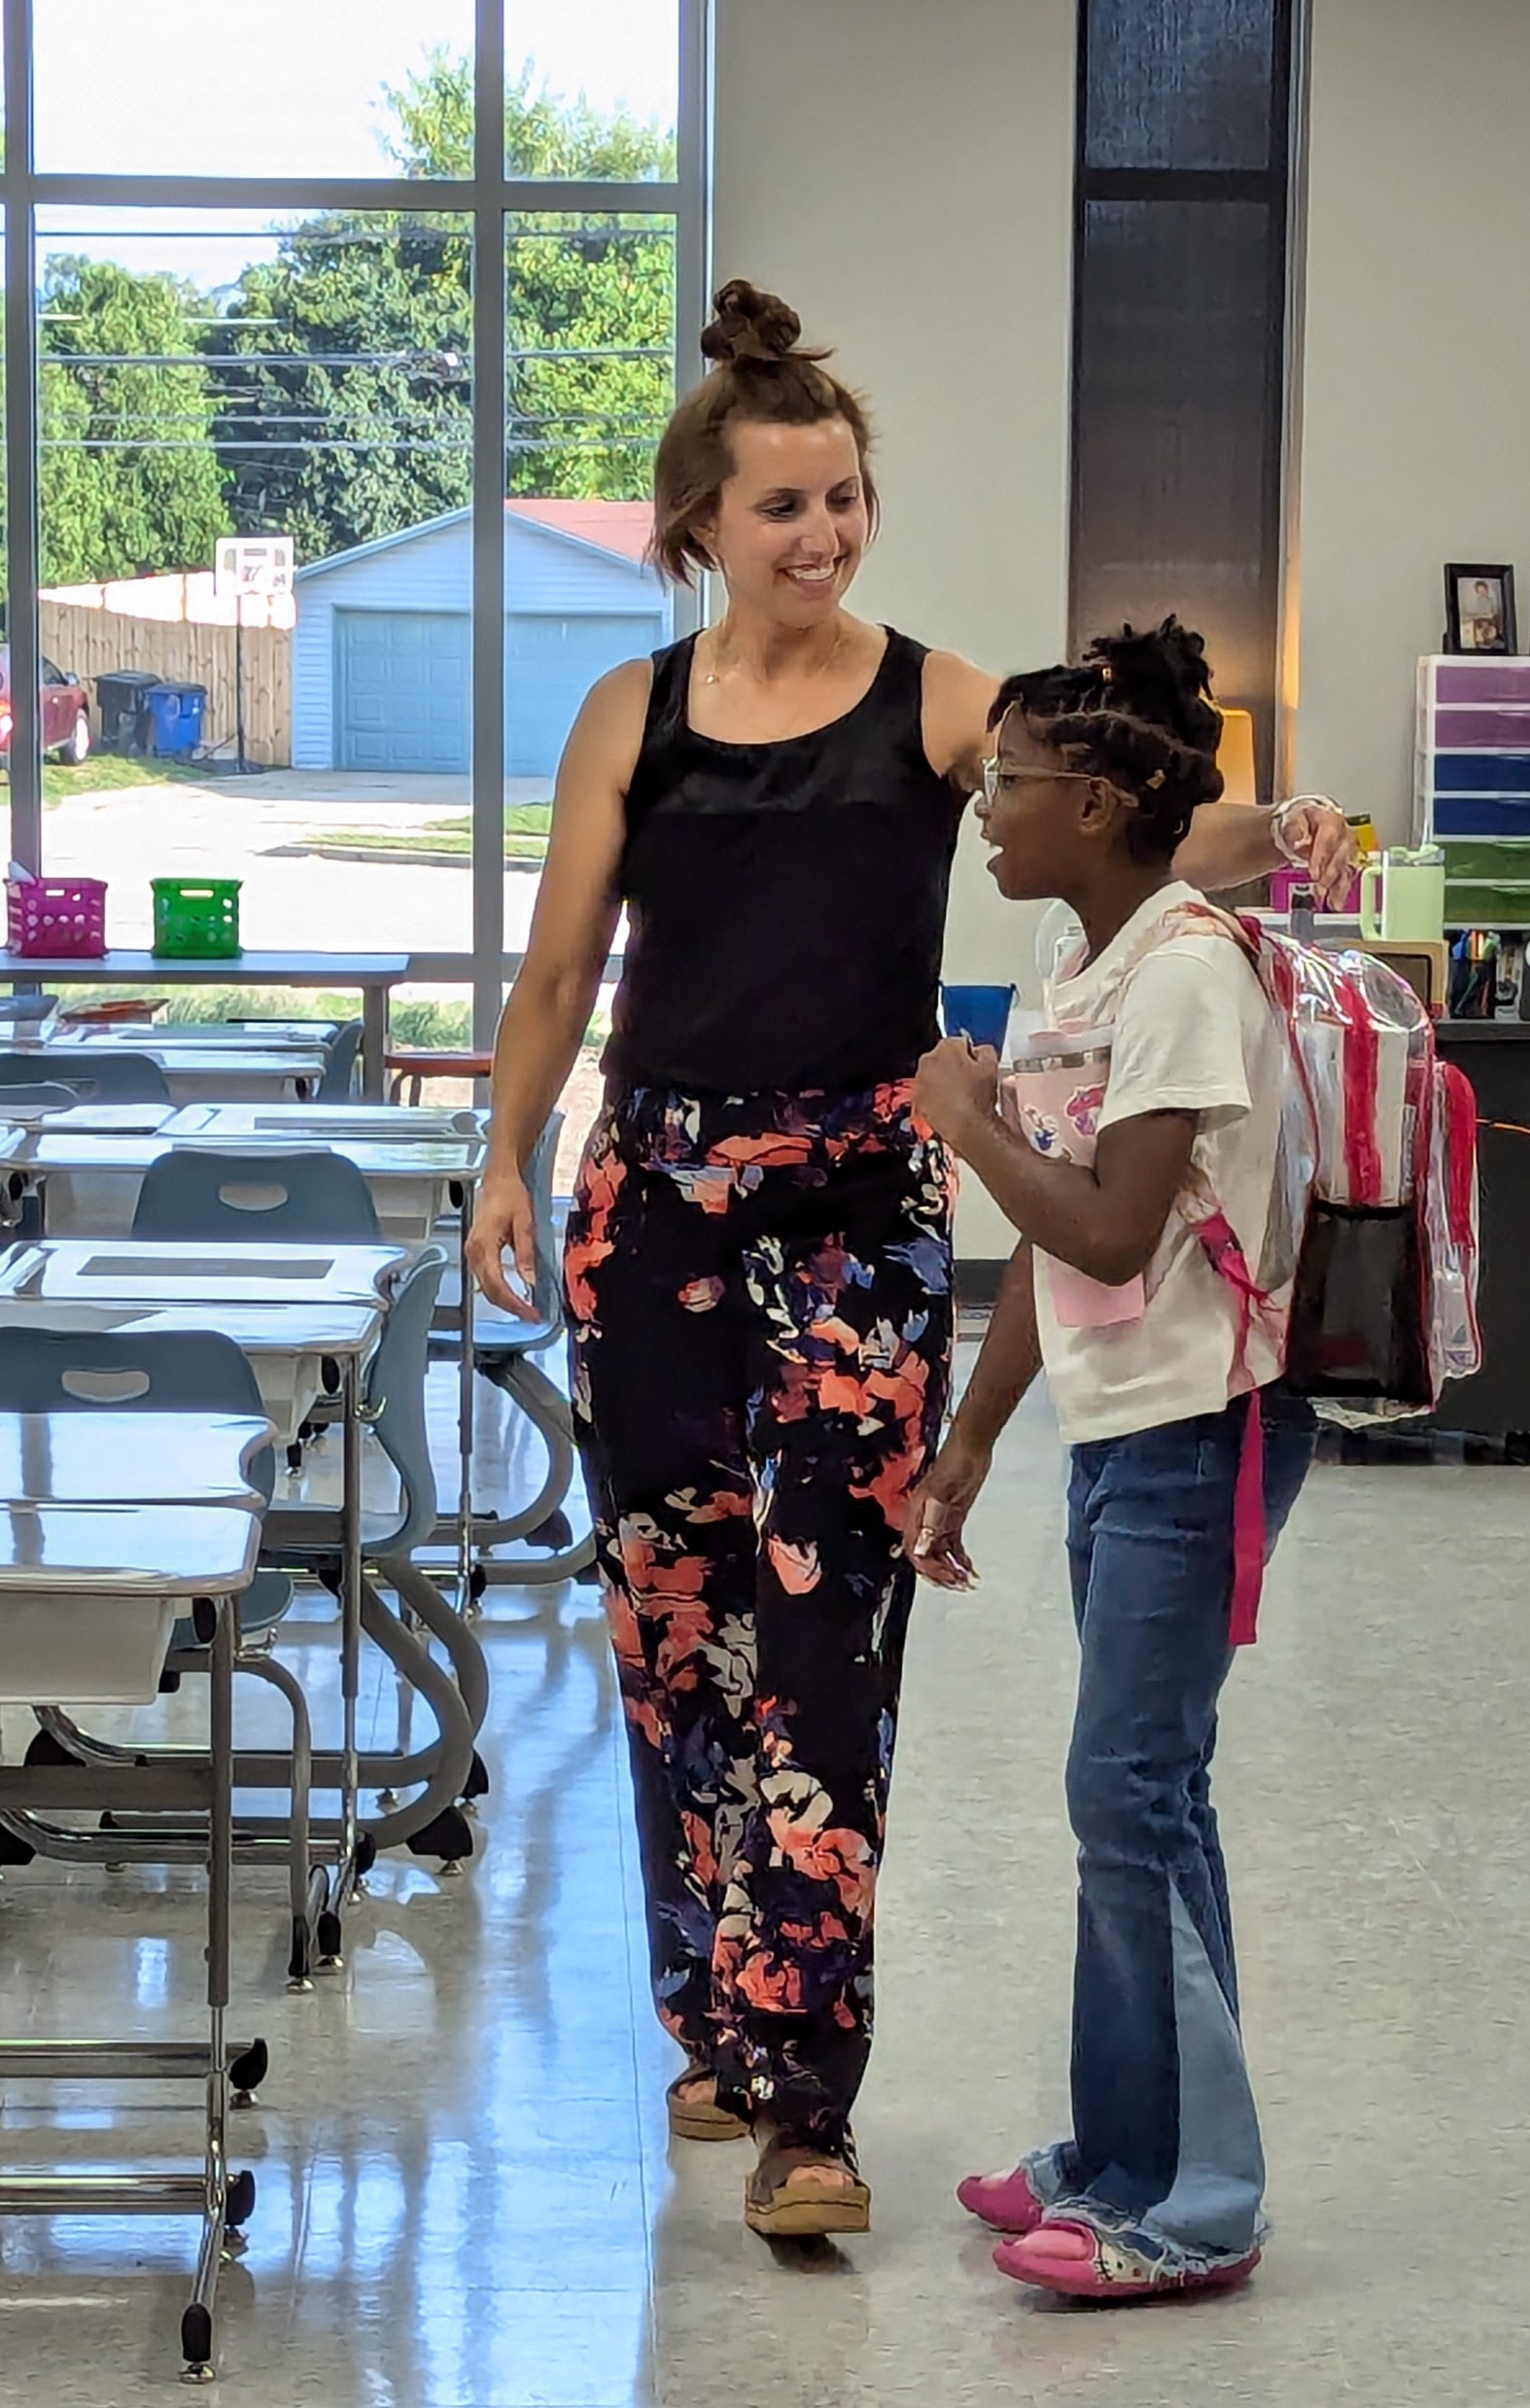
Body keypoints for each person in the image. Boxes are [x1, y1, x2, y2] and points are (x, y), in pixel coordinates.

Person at [465, 285, 1349, 2249]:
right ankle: (710, 2007)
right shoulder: (635, 713)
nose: (825, 537)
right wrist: (503, 1161)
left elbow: (1106, 807)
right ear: (701, 519)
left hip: (859, 1219)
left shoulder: (936, 697)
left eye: (847, 500)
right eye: (784, 508)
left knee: (826, 1645)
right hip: (658, 1215)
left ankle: (808, 2102)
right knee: (672, 1628)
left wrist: (1257, 840)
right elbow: (555, 976)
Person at [905, 617, 1312, 2303]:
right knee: (1147, 1797)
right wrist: (972, 1438)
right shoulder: (1081, 971)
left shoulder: (1187, 973)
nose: (985, 813)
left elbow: (1119, 1227)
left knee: (1126, 1790)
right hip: (1117, 1423)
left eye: (1009, 786)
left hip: (1205, 1425)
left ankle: (1195, 2201)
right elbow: (1060, 1255)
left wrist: (968, 1120)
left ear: (1096, 800)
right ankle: (1126, 2148)